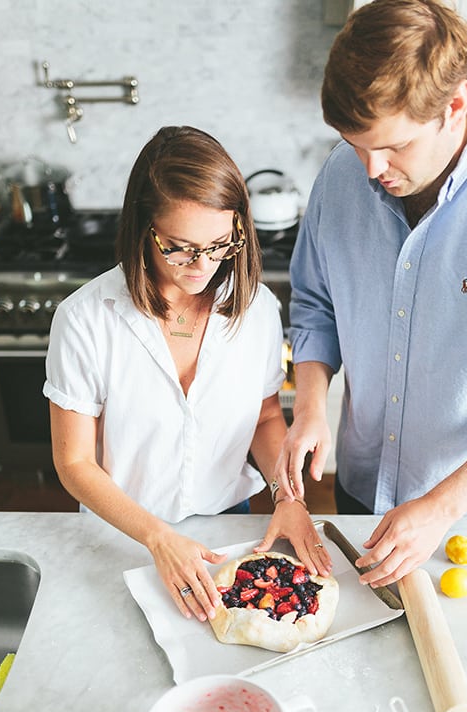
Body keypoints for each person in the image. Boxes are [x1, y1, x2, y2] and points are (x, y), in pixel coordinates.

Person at [43, 125, 331, 622]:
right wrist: (158, 538)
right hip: (123, 534)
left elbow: (263, 419)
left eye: (220, 244)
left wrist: (287, 496)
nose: (202, 265)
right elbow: (73, 463)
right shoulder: (85, 318)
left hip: (226, 525)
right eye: (178, 246)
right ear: (141, 228)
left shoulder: (256, 309)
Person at [275, 0, 467, 588]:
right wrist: (311, 403)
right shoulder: (340, 176)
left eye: (393, 146)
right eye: (354, 143)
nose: (371, 168)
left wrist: (442, 508)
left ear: (454, 107)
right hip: (360, 487)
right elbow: (315, 304)